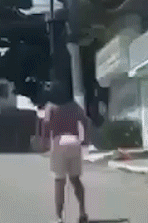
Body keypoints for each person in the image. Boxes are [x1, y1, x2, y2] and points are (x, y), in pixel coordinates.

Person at [42, 82, 89, 223]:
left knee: (59, 181)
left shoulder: (51, 106)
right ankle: (82, 212)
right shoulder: (74, 105)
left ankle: (59, 217)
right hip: (74, 142)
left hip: (59, 143)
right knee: (75, 179)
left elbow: (46, 126)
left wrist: (44, 142)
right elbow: (85, 121)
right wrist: (85, 139)